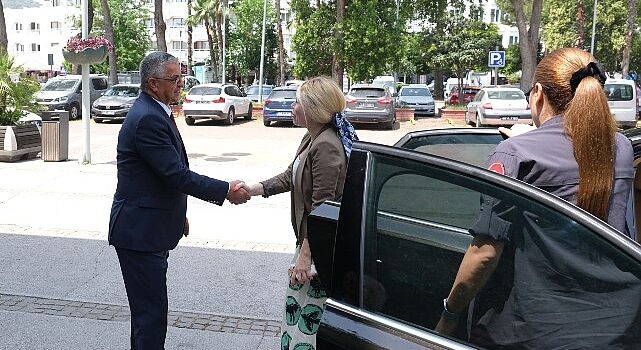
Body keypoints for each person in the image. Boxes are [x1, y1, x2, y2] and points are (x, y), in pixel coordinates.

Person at [435, 48, 638, 348]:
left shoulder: (517, 155)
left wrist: (448, 317)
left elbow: (484, 254)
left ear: (538, 94)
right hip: (621, 327)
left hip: (539, 333)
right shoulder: (621, 148)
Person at [108, 51, 250, 350]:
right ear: (153, 83)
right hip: (139, 234)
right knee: (151, 317)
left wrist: (176, 212)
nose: (180, 84)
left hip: (149, 228)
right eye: (174, 79)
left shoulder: (155, 110)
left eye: (181, 77)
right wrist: (225, 189)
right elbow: (176, 174)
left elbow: (159, 176)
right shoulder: (147, 118)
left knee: (149, 314)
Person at [236, 76, 358, 349]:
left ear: (313, 109)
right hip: (309, 244)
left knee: (306, 323)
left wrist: (306, 257)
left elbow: (323, 208)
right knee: (296, 315)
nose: (292, 107)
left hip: (318, 251)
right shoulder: (312, 138)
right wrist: (254, 188)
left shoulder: (326, 145)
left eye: (297, 102)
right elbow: (291, 175)